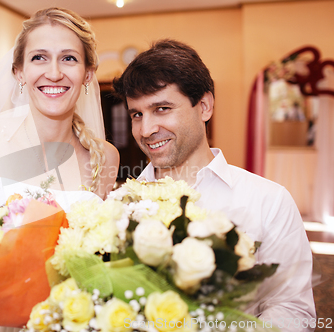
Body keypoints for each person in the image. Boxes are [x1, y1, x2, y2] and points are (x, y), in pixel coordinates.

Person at [0, 7, 119, 332]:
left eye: (69, 58)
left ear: (88, 73)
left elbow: (102, 256)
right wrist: (5, 297)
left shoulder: (105, 157)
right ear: (18, 71)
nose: (54, 72)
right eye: (39, 58)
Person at [113, 39, 315, 331]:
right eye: (137, 115)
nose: (146, 130)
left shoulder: (269, 201)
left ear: (204, 106)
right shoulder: (120, 204)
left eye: (162, 108)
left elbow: (293, 308)